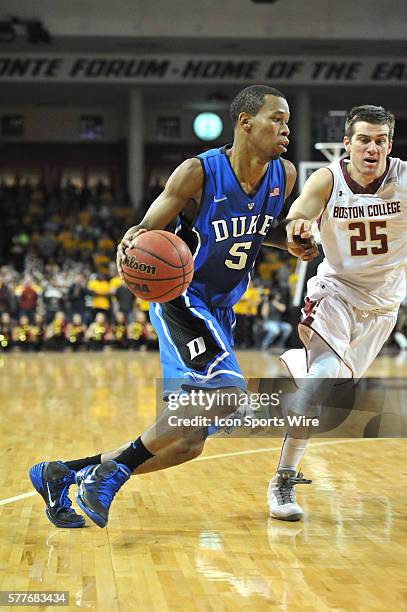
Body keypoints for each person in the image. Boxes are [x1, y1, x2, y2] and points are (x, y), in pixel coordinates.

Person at [29, 85, 318, 528]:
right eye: (276, 119)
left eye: (287, 120)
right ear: (245, 122)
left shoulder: (286, 176)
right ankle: (109, 475)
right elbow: (146, 232)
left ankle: (64, 473)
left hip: (220, 312)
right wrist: (134, 242)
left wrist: (289, 243)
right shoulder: (197, 173)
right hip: (181, 299)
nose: (286, 128)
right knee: (228, 394)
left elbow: (262, 229)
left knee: (186, 441)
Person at [267, 104, 407, 521]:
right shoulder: (328, 178)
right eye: (364, 139)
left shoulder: (403, 179)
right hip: (335, 293)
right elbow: (301, 211)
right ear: (347, 144)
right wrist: (298, 226)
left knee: (330, 392)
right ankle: (283, 480)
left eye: (380, 141)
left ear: (389, 145)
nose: (372, 148)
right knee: (321, 382)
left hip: (382, 306)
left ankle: (296, 362)